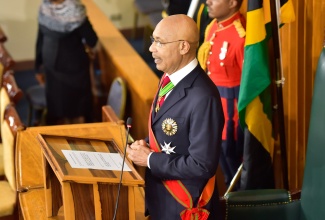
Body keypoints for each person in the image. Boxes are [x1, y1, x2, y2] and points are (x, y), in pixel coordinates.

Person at [126, 14, 224, 220]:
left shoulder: (203, 96)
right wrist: (144, 144)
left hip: (185, 205)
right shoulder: (169, 77)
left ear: (183, 47)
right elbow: (169, 131)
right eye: (153, 40)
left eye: (159, 43)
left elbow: (202, 165)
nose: (152, 48)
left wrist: (150, 159)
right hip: (161, 199)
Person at [197, 0, 246, 189]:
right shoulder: (213, 28)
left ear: (232, 3)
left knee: (231, 155)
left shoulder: (241, 36)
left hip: (232, 111)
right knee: (220, 156)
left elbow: (246, 84)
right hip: (213, 106)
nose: (207, 1)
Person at [35, 0, 98, 125]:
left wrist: (37, 67)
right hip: (74, 67)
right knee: (77, 104)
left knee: (57, 100)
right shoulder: (76, 11)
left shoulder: (44, 8)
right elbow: (92, 40)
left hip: (50, 62)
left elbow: (40, 40)